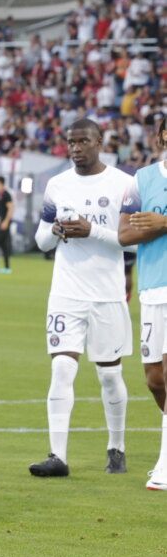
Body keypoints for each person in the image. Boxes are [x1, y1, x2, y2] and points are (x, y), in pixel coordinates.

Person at [31, 120, 133, 477]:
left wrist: (93, 230)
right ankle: (57, 456)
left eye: (83, 141)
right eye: (71, 142)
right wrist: (58, 230)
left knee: (109, 375)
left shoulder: (124, 183)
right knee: (61, 368)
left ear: (99, 142)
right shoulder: (57, 185)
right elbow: (41, 240)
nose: (76, 147)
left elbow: (133, 239)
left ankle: (116, 447)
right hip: (65, 292)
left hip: (106, 294)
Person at [118, 125, 167, 492]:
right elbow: (124, 233)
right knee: (154, 379)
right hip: (153, 288)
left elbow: (153, 225)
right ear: (161, 137)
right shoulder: (143, 179)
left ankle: (164, 466)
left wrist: (164, 221)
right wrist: (153, 228)